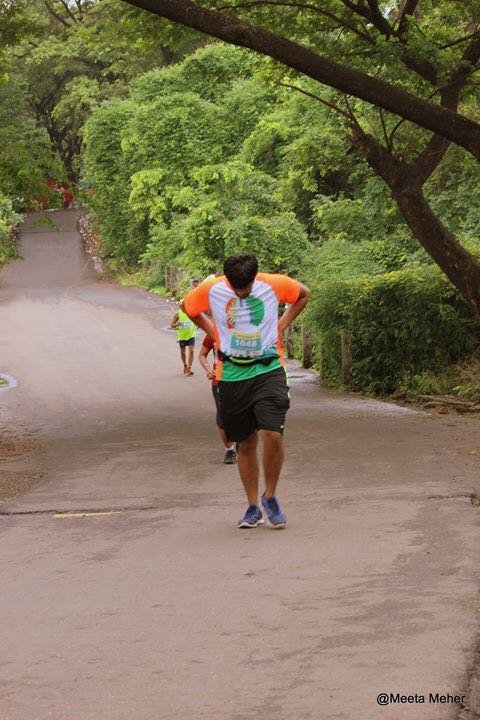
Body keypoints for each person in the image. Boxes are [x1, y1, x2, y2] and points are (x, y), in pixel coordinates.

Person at [182, 253, 310, 529]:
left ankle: (270, 497)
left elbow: (303, 294)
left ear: (254, 277)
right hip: (232, 374)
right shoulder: (213, 288)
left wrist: (281, 324)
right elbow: (188, 306)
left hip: (268, 368)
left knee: (273, 434)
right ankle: (253, 506)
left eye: (246, 288)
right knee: (246, 441)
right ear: (227, 279)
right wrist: (214, 332)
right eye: (236, 288)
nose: (241, 293)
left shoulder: (272, 284)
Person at [198, 333, 237, 464]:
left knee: (244, 413)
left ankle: (243, 442)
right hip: (220, 380)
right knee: (222, 417)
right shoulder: (213, 332)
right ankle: (230, 450)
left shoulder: (245, 329)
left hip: (243, 379)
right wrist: (208, 369)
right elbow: (202, 355)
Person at [171, 306, 196, 375]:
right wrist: (176, 324)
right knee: (183, 352)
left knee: (191, 351)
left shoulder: (191, 312)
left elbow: (198, 319)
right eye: (182, 306)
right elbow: (172, 325)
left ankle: (189, 368)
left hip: (191, 335)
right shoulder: (178, 314)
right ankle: (185, 365)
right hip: (182, 336)